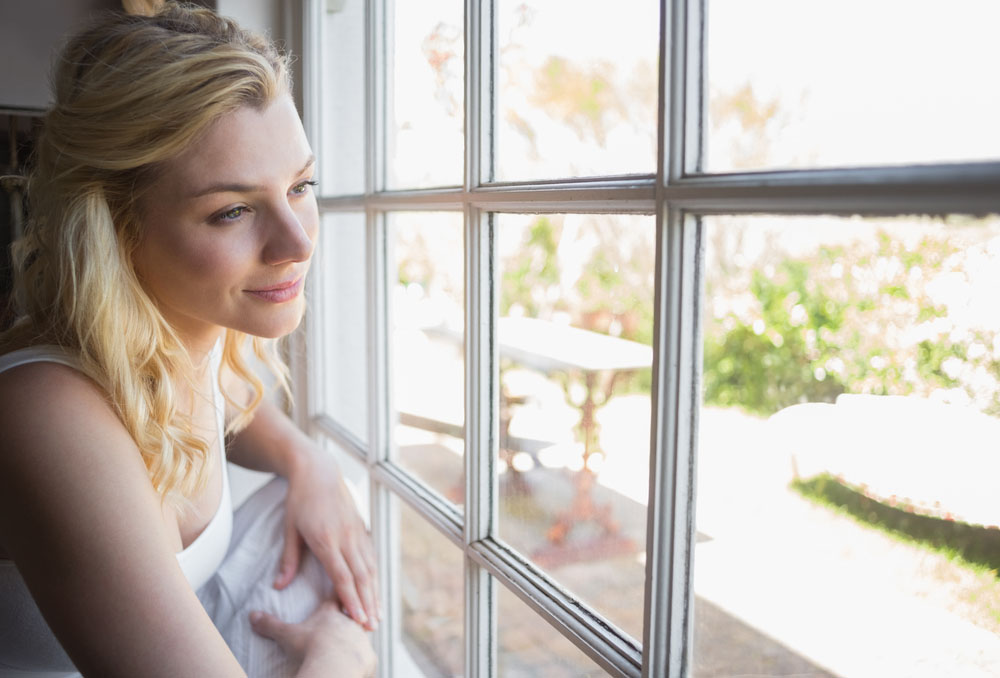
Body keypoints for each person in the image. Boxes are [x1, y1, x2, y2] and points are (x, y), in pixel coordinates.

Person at [0, 3, 377, 676]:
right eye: (232, 210)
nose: (296, 243)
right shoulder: (45, 413)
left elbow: (235, 403)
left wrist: (307, 462)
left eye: (302, 186)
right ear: (115, 226)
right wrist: (343, 655)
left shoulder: (194, 341)